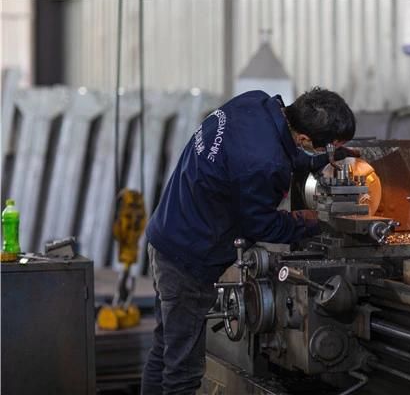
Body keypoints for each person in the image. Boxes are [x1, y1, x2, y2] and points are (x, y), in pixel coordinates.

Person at [141, 87, 357, 394]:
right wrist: (310, 222)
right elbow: (261, 225)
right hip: (187, 261)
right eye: (328, 146)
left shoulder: (255, 102)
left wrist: (319, 160)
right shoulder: (265, 165)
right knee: (182, 371)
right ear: (306, 140)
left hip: (166, 235)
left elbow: (274, 150)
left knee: (164, 350)